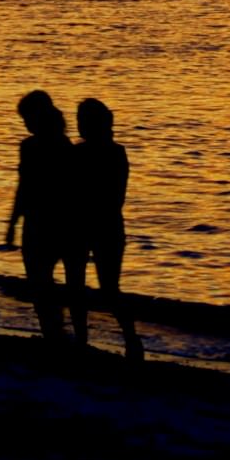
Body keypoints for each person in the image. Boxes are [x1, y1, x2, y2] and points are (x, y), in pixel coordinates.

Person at [1, 89, 80, 340]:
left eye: (26, 117)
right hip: (62, 222)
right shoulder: (66, 145)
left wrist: (13, 222)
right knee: (52, 284)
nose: (25, 123)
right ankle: (62, 333)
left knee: (40, 282)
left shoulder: (32, 146)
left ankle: (53, 332)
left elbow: (24, 187)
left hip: (41, 223)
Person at [69, 97, 143, 359]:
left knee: (100, 288)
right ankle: (118, 338)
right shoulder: (112, 152)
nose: (78, 126)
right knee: (92, 287)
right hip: (101, 226)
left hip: (98, 226)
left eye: (82, 121)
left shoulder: (95, 153)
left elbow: (110, 197)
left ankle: (126, 337)